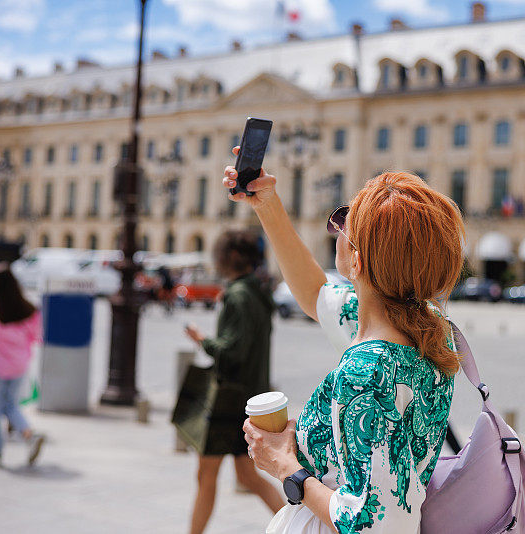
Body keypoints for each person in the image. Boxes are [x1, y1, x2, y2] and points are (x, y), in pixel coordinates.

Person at [224, 148, 465, 533]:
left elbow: (371, 523)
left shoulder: (367, 368)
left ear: (358, 261)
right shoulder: (427, 326)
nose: (335, 228)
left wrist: (287, 467)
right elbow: (315, 293)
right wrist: (266, 204)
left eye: (344, 222)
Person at [183, 230, 285, 534]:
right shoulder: (256, 293)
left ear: (230, 258)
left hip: (229, 399)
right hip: (252, 399)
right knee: (247, 476)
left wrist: (202, 339)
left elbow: (232, 351)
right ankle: (298, 526)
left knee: (206, 473)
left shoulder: (238, 296)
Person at [0, 263, 44, 468]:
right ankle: (28, 434)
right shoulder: (29, 310)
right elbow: (36, 338)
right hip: (19, 365)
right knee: (11, 405)